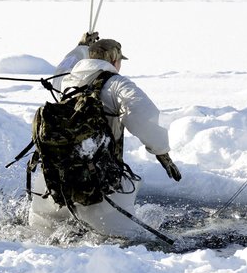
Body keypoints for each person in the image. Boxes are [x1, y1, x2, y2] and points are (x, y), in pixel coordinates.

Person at [33, 34, 181, 235]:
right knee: (129, 241)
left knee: (40, 235)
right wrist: (161, 151)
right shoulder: (117, 84)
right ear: (114, 60)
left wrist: (81, 47)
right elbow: (144, 116)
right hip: (100, 184)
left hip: (53, 180)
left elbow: (64, 64)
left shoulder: (66, 78)